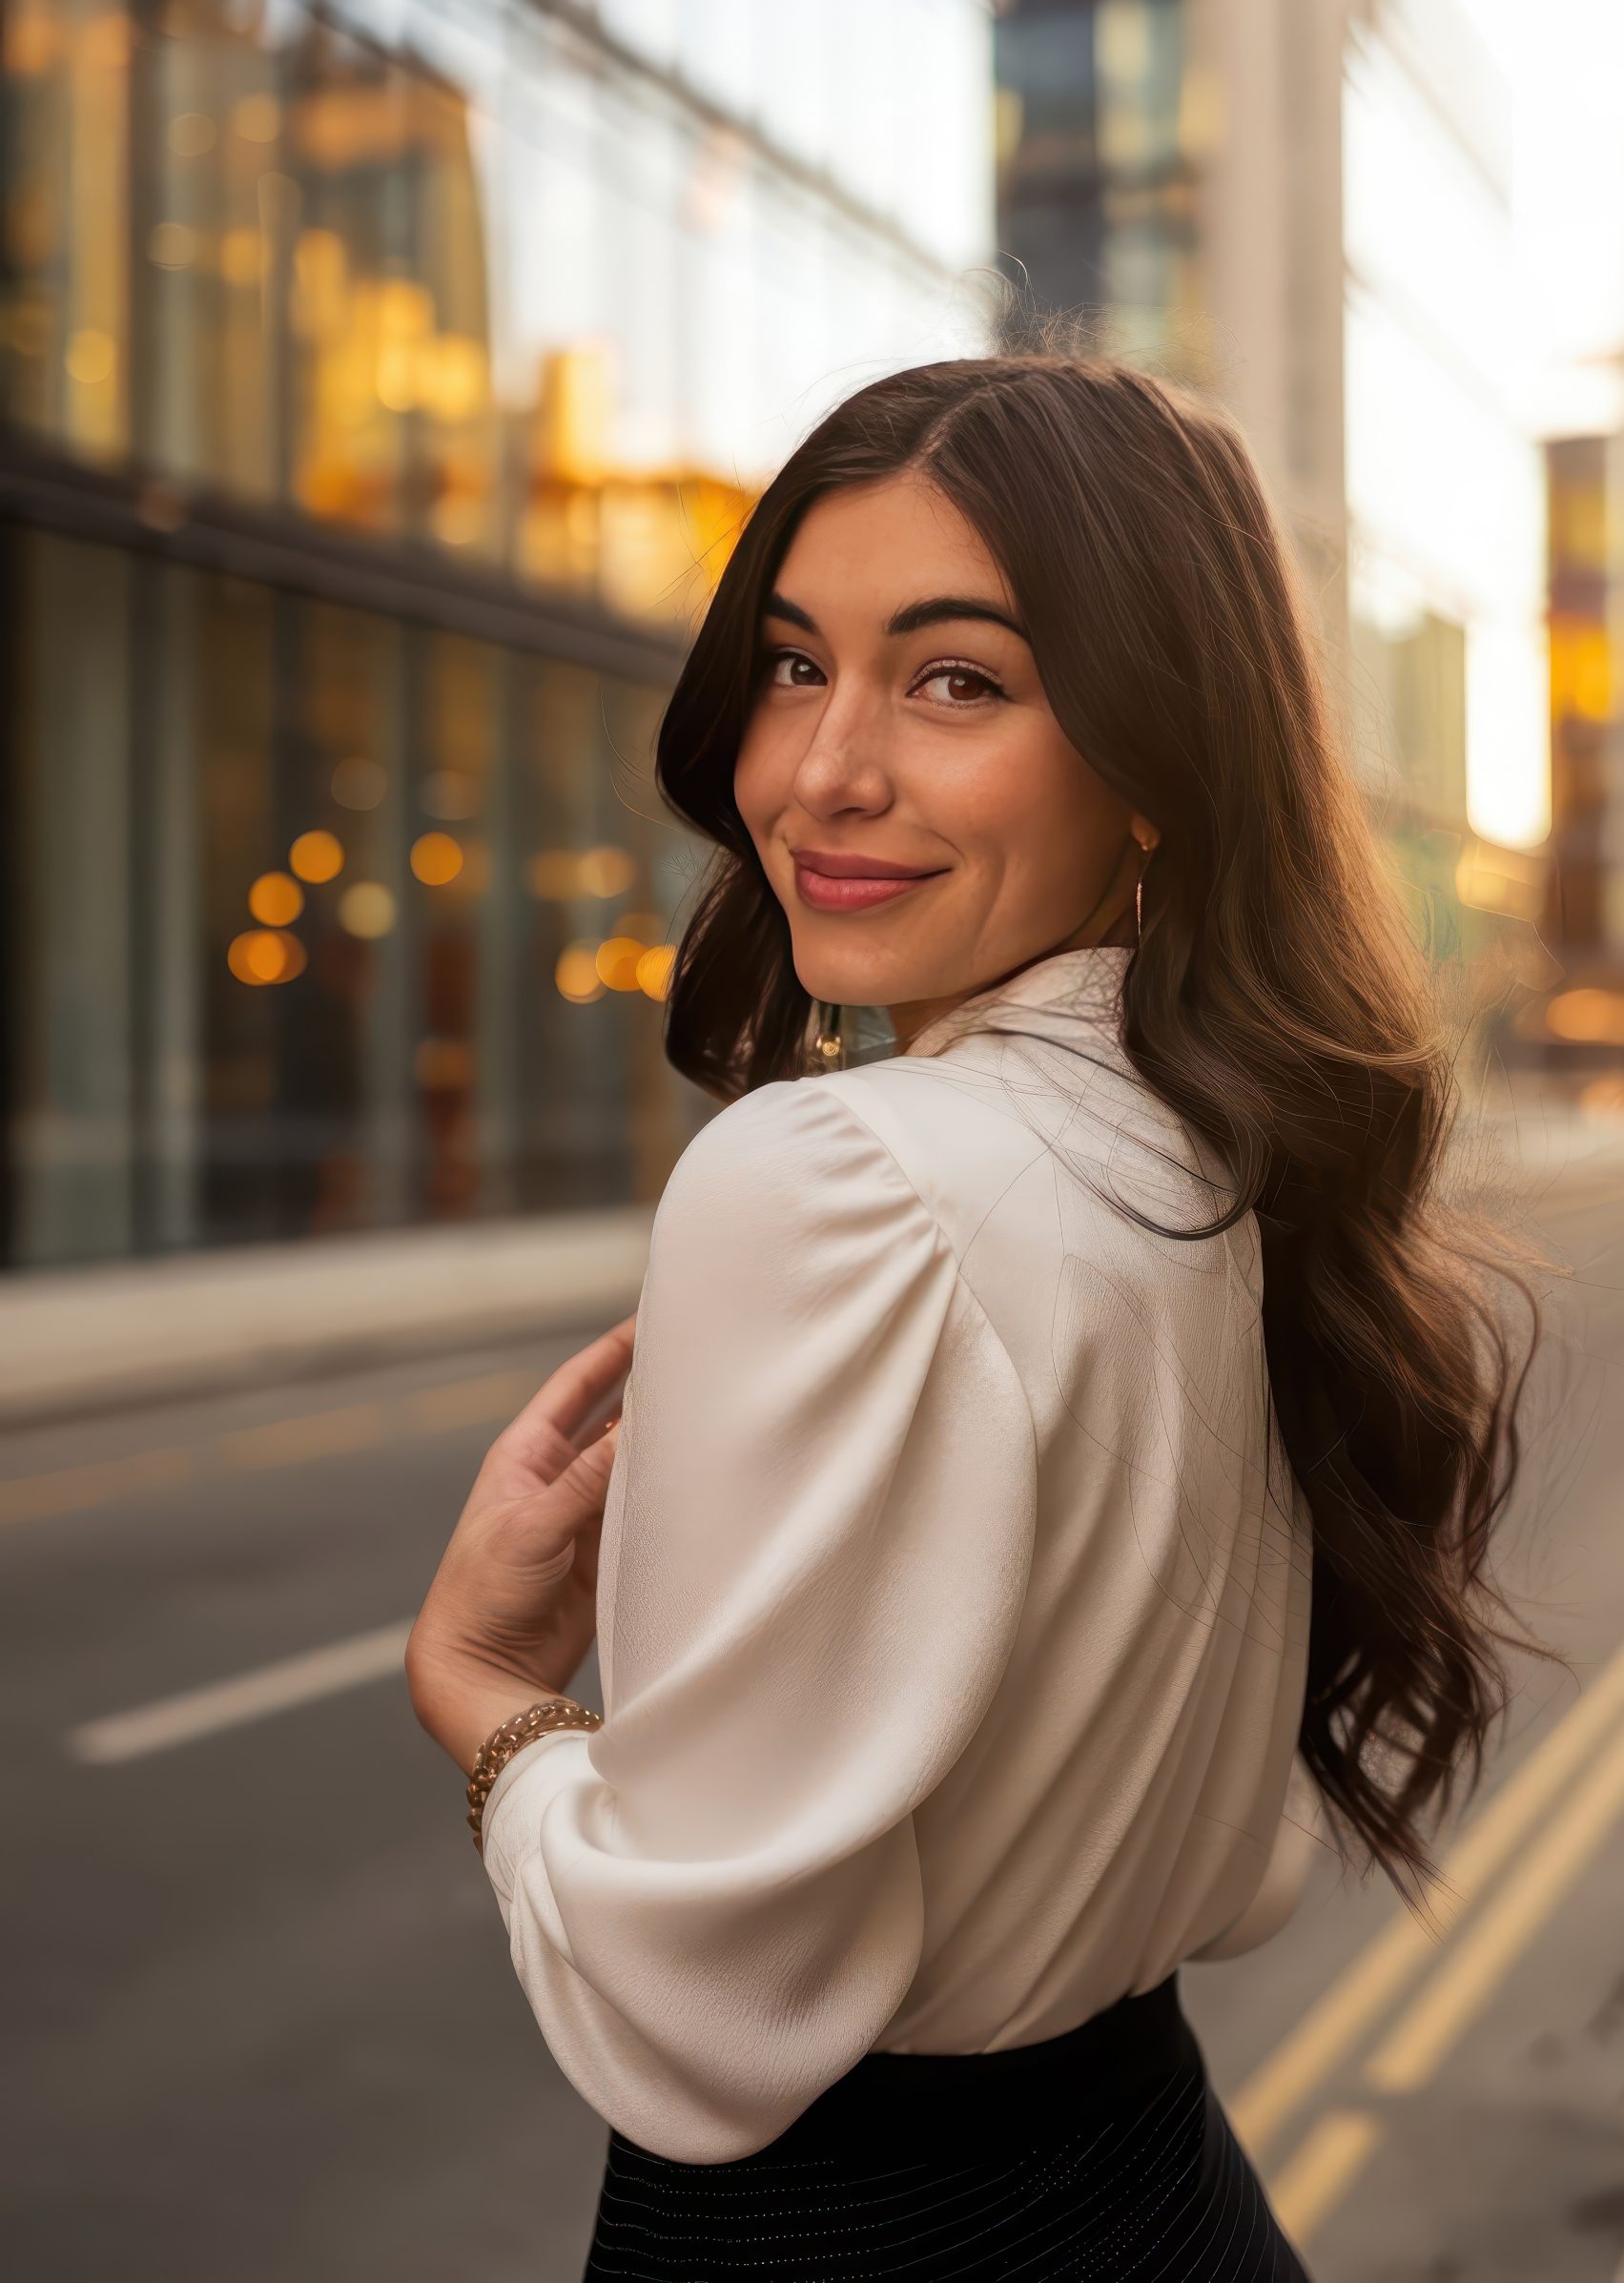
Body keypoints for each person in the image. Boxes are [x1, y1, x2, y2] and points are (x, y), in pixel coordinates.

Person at [406, 356, 1532, 2279]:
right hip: (1160, 2188)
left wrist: (490, 1694)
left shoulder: (832, 1173)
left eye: (956, 679)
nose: (826, 768)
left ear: (1159, 759)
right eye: (788, 662)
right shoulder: (1235, 1164)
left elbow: (702, 2003)